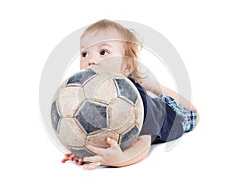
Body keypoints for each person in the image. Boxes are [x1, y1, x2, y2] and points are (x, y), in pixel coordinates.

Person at [61, 19, 199, 170]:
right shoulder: (87, 98)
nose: (91, 60)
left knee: (193, 114)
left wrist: (120, 159)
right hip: (152, 107)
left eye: (103, 52)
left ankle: (155, 87)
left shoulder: (135, 98)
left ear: (126, 66)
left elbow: (143, 145)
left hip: (171, 116)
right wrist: (83, 150)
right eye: (84, 53)